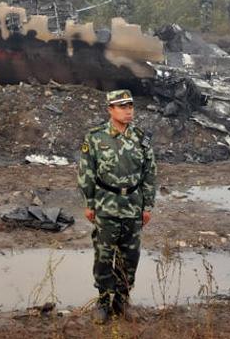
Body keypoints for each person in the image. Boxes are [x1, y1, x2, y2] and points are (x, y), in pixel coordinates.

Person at [77, 89, 156, 323]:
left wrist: (148, 206)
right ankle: (103, 302)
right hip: (105, 205)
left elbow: (149, 173)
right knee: (104, 255)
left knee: (130, 257)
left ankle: (122, 301)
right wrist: (89, 203)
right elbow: (86, 172)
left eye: (130, 106)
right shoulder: (95, 137)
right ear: (110, 109)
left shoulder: (141, 138)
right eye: (122, 107)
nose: (128, 111)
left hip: (133, 205)